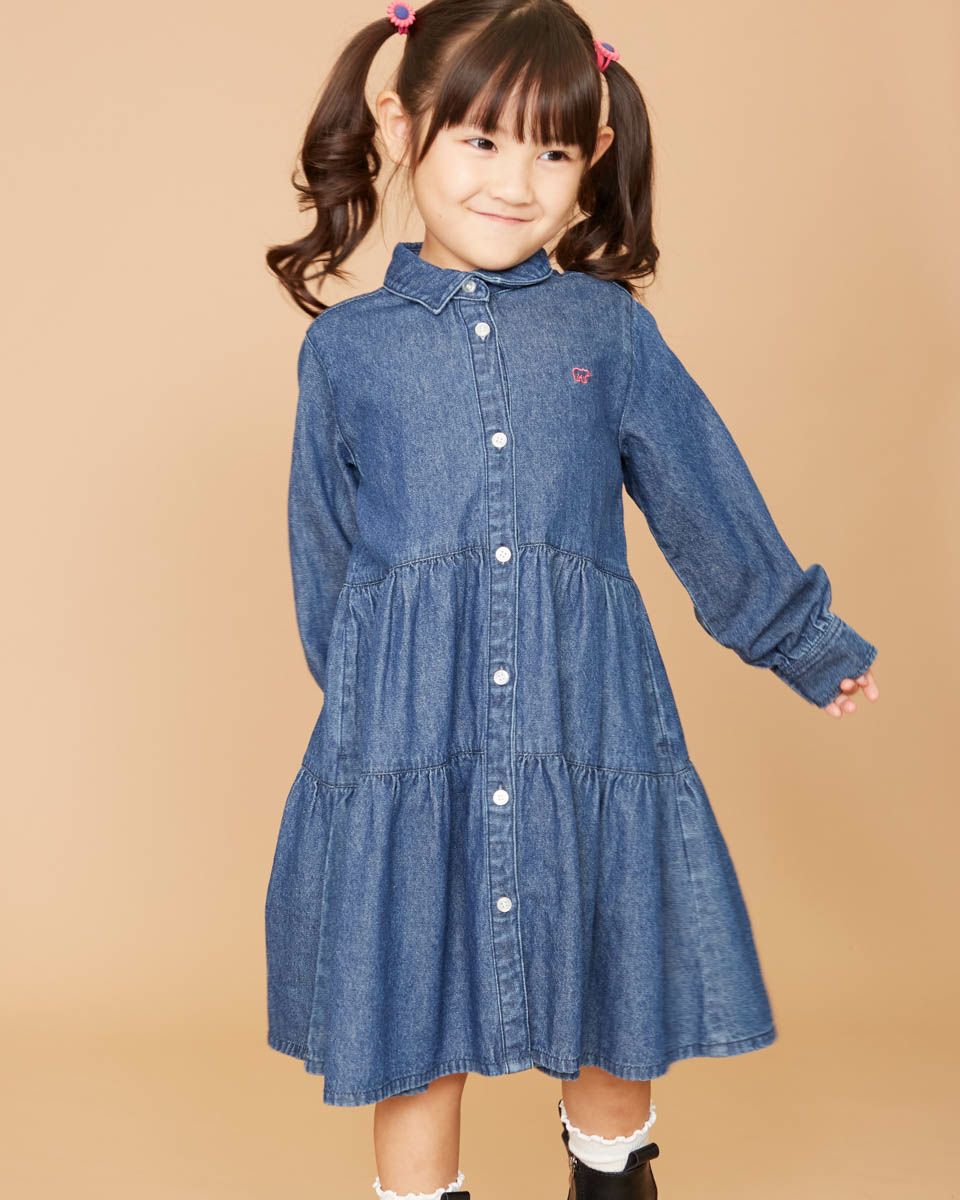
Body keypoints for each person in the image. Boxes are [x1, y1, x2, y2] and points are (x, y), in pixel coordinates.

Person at [262, 2, 881, 1197]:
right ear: (400, 124)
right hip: (412, 744)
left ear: (593, 155)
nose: (514, 183)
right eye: (480, 141)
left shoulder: (610, 333)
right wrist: (374, 724)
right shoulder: (348, 350)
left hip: (587, 720)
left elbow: (703, 495)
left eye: (551, 150)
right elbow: (323, 553)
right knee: (413, 1030)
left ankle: (610, 1172)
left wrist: (800, 638)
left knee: (611, 1004)